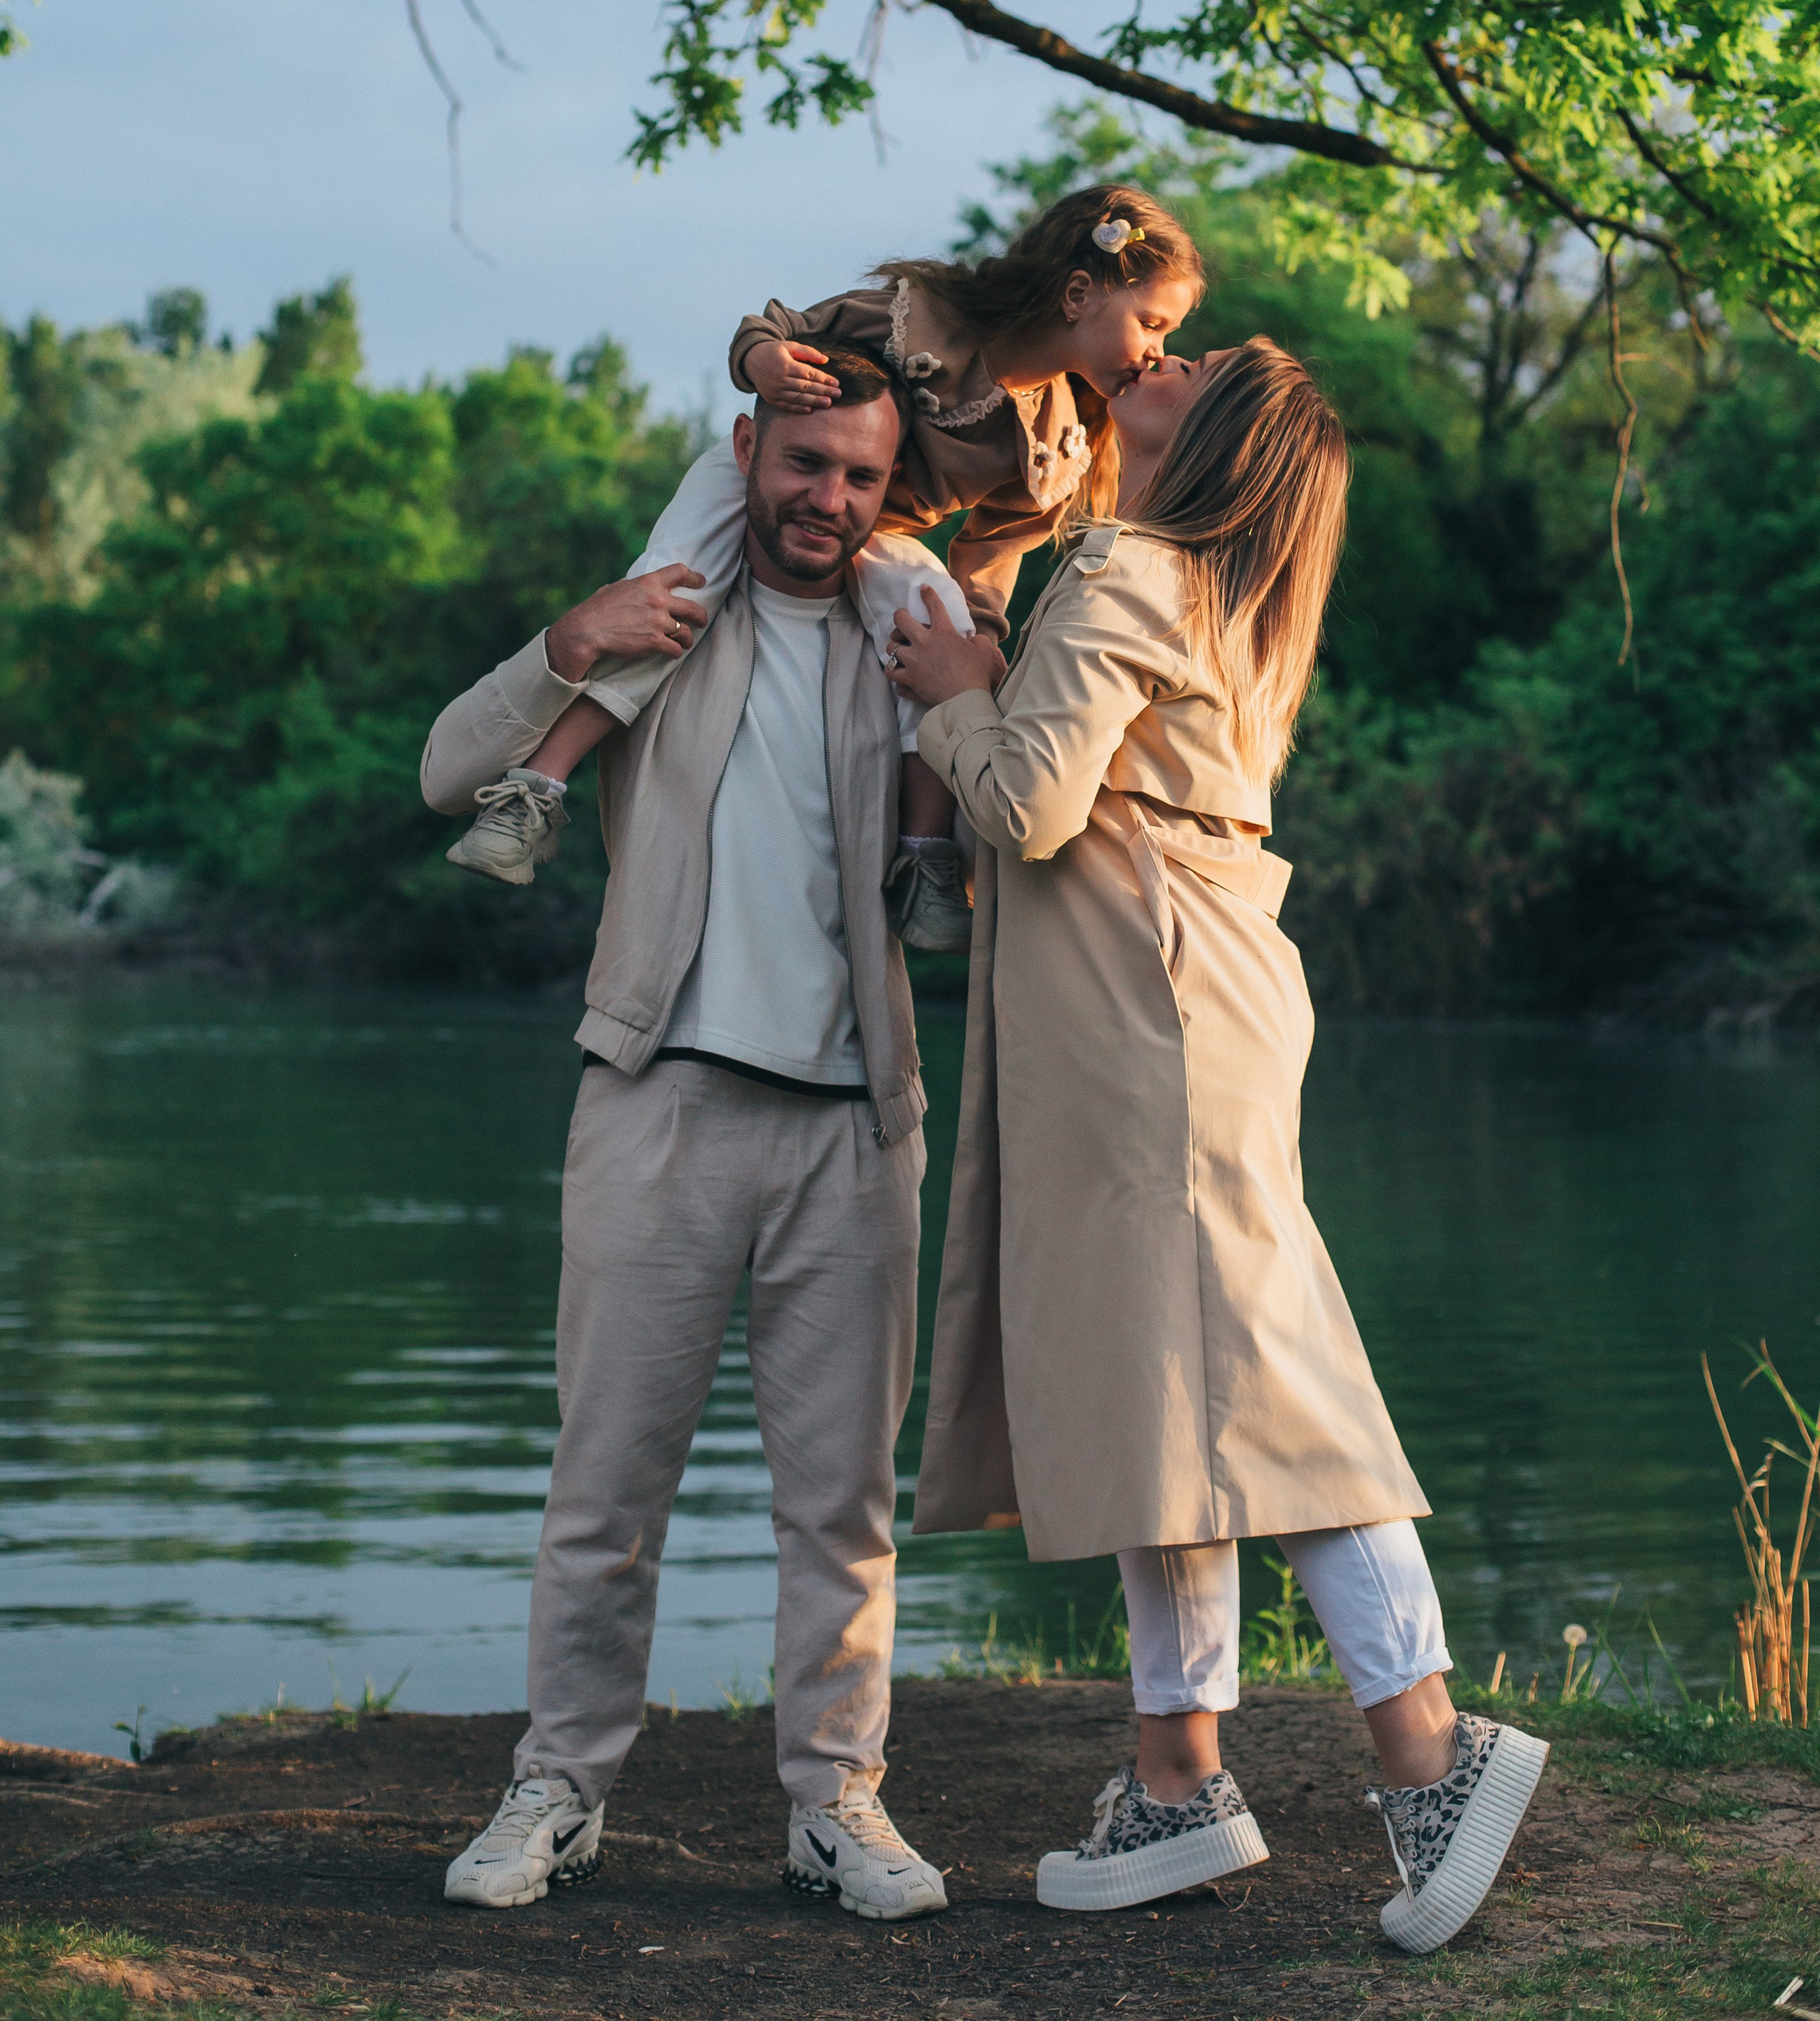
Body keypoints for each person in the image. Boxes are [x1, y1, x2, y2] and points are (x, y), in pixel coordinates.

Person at [887, 340, 1548, 1955]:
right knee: (1158, 1383)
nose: (1154, 356)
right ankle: (1175, 1774)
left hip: (1146, 1007)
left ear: (1223, 434)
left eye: (1196, 362)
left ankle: (1429, 1743)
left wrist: (957, 701)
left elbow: (1033, 802)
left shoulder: (1129, 561)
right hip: (1171, 989)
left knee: (1259, 1370)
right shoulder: (1227, 589)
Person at [422, 340, 946, 1923]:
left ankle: (835, 1804)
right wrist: (559, 642)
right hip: (657, 1102)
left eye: (859, 474)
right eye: (804, 465)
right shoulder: (665, 616)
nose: (828, 499)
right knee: (605, 1487)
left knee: (844, 1506)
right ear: (747, 452)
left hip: (856, 1129)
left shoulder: (901, 626)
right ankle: (559, 1790)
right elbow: (451, 770)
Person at [442, 183, 1204, 950]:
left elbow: (991, 552)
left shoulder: (1058, 437)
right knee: (672, 599)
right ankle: (532, 791)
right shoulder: (928, 317)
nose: (1157, 350)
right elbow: (777, 327)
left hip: (870, 541)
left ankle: (924, 855)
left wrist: (970, 644)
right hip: (755, 490)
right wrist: (766, 364)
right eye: (1152, 322)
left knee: (928, 631)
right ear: (1078, 293)